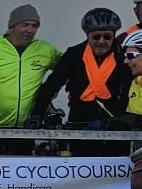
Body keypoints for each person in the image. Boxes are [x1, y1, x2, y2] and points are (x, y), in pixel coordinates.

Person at [30, 8, 135, 156]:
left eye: (107, 37)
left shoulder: (123, 57)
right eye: (96, 37)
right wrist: (37, 114)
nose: (102, 41)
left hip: (114, 125)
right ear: (87, 36)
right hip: (79, 123)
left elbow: (130, 91)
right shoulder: (74, 54)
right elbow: (52, 85)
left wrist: (123, 119)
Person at [0, 4, 61, 154]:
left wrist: (51, 91)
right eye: (25, 25)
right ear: (12, 26)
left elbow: (69, 68)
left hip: (26, 130)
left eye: (34, 26)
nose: (30, 30)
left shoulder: (45, 49)